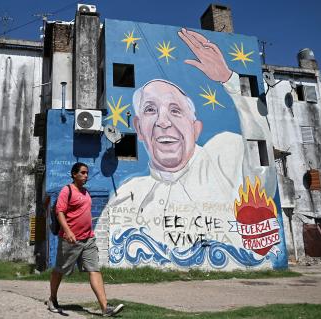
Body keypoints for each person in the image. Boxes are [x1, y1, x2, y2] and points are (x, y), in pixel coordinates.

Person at [106, 29, 277, 262]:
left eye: (175, 110)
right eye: (150, 110)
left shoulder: (225, 154)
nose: (162, 122)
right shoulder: (126, 194)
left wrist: (230, 81)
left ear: (196, 129)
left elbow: (263, 175)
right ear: (138, 129)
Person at [47, 162, 124, 317]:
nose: (85, 175)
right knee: (60, 270)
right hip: (70, 240)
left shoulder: (86, 192)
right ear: (74, 174)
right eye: (82, 172)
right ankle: (52, 299)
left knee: (94, 270)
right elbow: (60, 212)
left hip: (88, 239)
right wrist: (68, 231)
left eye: (87, 173)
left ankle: (105, 307)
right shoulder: (66, 191)